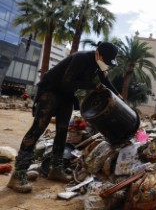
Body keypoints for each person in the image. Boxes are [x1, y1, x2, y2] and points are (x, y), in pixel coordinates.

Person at [7, 41, 121, 193]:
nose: (106, 64)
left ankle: (56, 169)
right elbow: (67, 82)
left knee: (62, 131)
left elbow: (105, 81)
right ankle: (18, 174)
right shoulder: (81, 58)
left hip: (67, 95)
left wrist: (118, 96)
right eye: (106, 61)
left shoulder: (97, 64)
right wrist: (93, 86)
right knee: (38, 128)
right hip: (51, 91)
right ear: (98, 54)